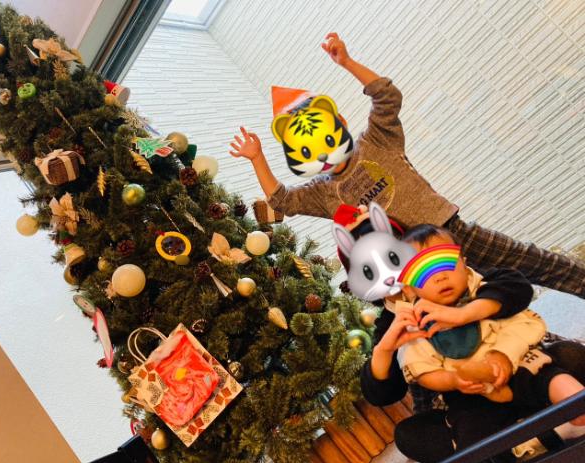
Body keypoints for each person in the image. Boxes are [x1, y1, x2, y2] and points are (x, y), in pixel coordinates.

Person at [229, 33, 585, 299]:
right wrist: (258, 158)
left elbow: (387, 97)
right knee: (486, 310)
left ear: (338, 123)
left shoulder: (375, 142)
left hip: (451, 229)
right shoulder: (322, 193)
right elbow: (283, 200)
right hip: (417, 269)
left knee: (535, 262)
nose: (321, 153)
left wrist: (347, 62)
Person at [394, 224, 585, 422]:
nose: (440, 276)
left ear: (465, 265)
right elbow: (422, 370)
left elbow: (525, 323)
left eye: (447, 262)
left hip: (522, 364)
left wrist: (502, 355)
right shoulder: (414, 325)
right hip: (472, 392)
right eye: (423, 271)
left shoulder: (486, 291)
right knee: (468, 422)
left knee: (551, 375)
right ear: (409, 288)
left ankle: (576, 408)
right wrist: (453, 380)